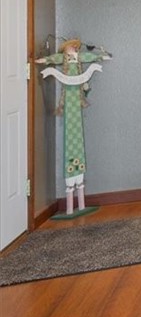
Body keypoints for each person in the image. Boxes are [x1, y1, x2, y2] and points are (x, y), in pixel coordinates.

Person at [36, 38, 111, 215]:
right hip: (69, 99)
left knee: (77, 138)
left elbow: (88, 56)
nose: (74, 50)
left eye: (75, 48)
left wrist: (100, 57)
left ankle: (80, 204)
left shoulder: (79, 59)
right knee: (71, 139)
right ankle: (70, 207)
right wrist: (44, 61)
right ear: (66, 49)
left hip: (76, 97)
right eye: (72, 47)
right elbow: (53, 59)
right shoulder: (62, 60)